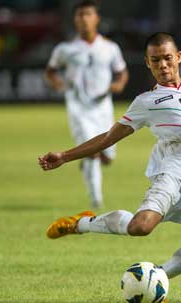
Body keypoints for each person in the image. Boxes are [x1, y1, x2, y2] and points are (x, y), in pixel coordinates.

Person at [39, 32, 181, 287]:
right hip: (172, 176)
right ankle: (82, 223)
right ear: (147, 62)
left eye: (168, 58)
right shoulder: (146, 102)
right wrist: (65, 156)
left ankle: (158, 279)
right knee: (140, 227)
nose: (163, 65)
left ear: (178, 57)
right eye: (155, 60)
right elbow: (108, 138)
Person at [44, 0, 129, 208]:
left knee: (107, 156)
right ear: (74, 19)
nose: (83, 19)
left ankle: (88, 158)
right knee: (93, 151)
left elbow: (122, 72)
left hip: (102, 107)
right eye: (80, 15)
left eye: (88, 14)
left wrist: (118, 84)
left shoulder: (110, 48)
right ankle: (96, 200)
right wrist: (58, 84)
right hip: (78, 107)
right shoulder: (65, 49)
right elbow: (50, 71)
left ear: (97, 18)